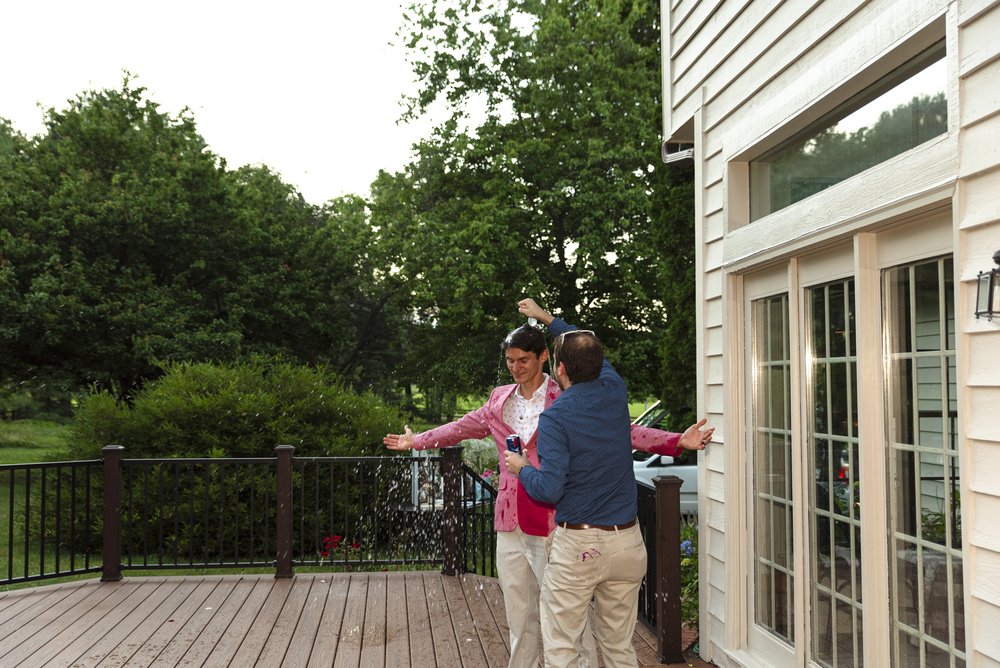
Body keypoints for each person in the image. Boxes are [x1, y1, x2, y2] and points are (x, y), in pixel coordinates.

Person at [384, 302, 712, 668]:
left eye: (522, 359)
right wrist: (418, 441)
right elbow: (460, 427)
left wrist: (673, 441)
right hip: (510, 522)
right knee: (519, 615)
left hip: (556, 524)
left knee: (567, 621)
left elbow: (626, 432)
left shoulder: (565, 399)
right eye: (509, 360)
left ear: (545, 358)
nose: (515, 366)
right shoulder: (497, 400)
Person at [505, 299, 713, 668]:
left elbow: (548, 490)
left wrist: (522, 468)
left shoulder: (555, 418)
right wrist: (549, 319)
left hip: (579, 549)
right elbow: (586, 345)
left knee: (562, 650)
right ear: (600, 366)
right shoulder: (614, 390)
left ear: (560, 368)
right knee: (620, 650)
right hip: (627, 545)